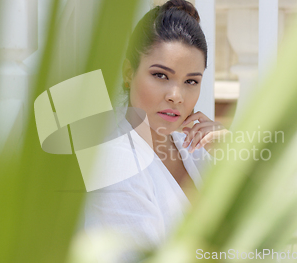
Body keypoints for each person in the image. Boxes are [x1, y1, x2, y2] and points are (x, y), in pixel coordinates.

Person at [83, 0, 228, 261]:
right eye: (161, 75)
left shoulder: (192, 146)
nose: (176, 96)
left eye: (191, 81)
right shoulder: (113, 164)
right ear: (129, 72)